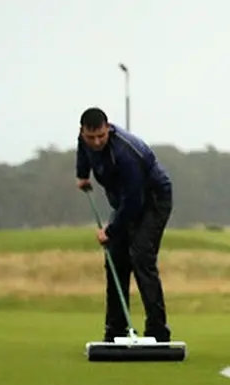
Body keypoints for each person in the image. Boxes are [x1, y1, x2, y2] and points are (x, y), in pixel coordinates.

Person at [74, 107, 174, 343]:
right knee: (115, 259)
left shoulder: (126, 154)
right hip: (125, 203)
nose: (96, 142)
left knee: (141, 256)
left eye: (101, 136)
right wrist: (82, 174)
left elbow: (134, 203)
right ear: (83, 133)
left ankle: (158, 331)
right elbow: (82, 149)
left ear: (108, 128)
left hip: (153, 200)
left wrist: (110, 230)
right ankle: (116, 329)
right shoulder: (85, 140)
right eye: (91, 137)